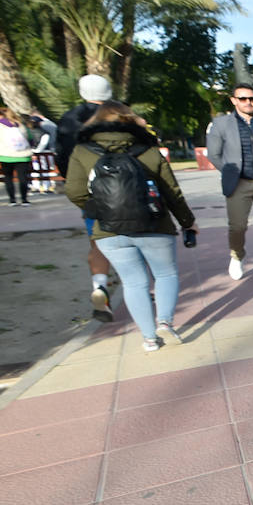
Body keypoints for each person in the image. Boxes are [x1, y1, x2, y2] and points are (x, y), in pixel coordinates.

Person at [65, 102, 196, 352]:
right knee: (165, 274)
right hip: (154, 224)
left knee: (134, 282)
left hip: (109, 230)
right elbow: (171, 191)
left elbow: (74, 191)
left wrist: (98, 208)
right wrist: (188, 222)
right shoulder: (148, 149)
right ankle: (165, 323)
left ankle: (149, 339)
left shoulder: (82, 151)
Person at [206, 83, 253, 280]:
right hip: (239, 182)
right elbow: (214, 154)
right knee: (238, 226)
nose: (248, 102)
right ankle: (237, 256)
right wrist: (230, 172)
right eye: (243, 98)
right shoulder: (221, 124)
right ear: (234, 100)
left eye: (252, 98)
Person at [58, 74, 118, 322]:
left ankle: (99, 287)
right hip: (123, 188)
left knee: (97, 242)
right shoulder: (119, 114)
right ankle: (143, 288)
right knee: (135, 240)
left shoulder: (68, 120)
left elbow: (62, 158)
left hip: (89, 191)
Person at [0, 107, 33, 206]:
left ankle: (12, 200)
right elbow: (30, 139)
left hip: (5, 155)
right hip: (23, 155)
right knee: (23, 178)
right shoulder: (21, 125)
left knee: (8, 178)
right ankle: (24, 200)